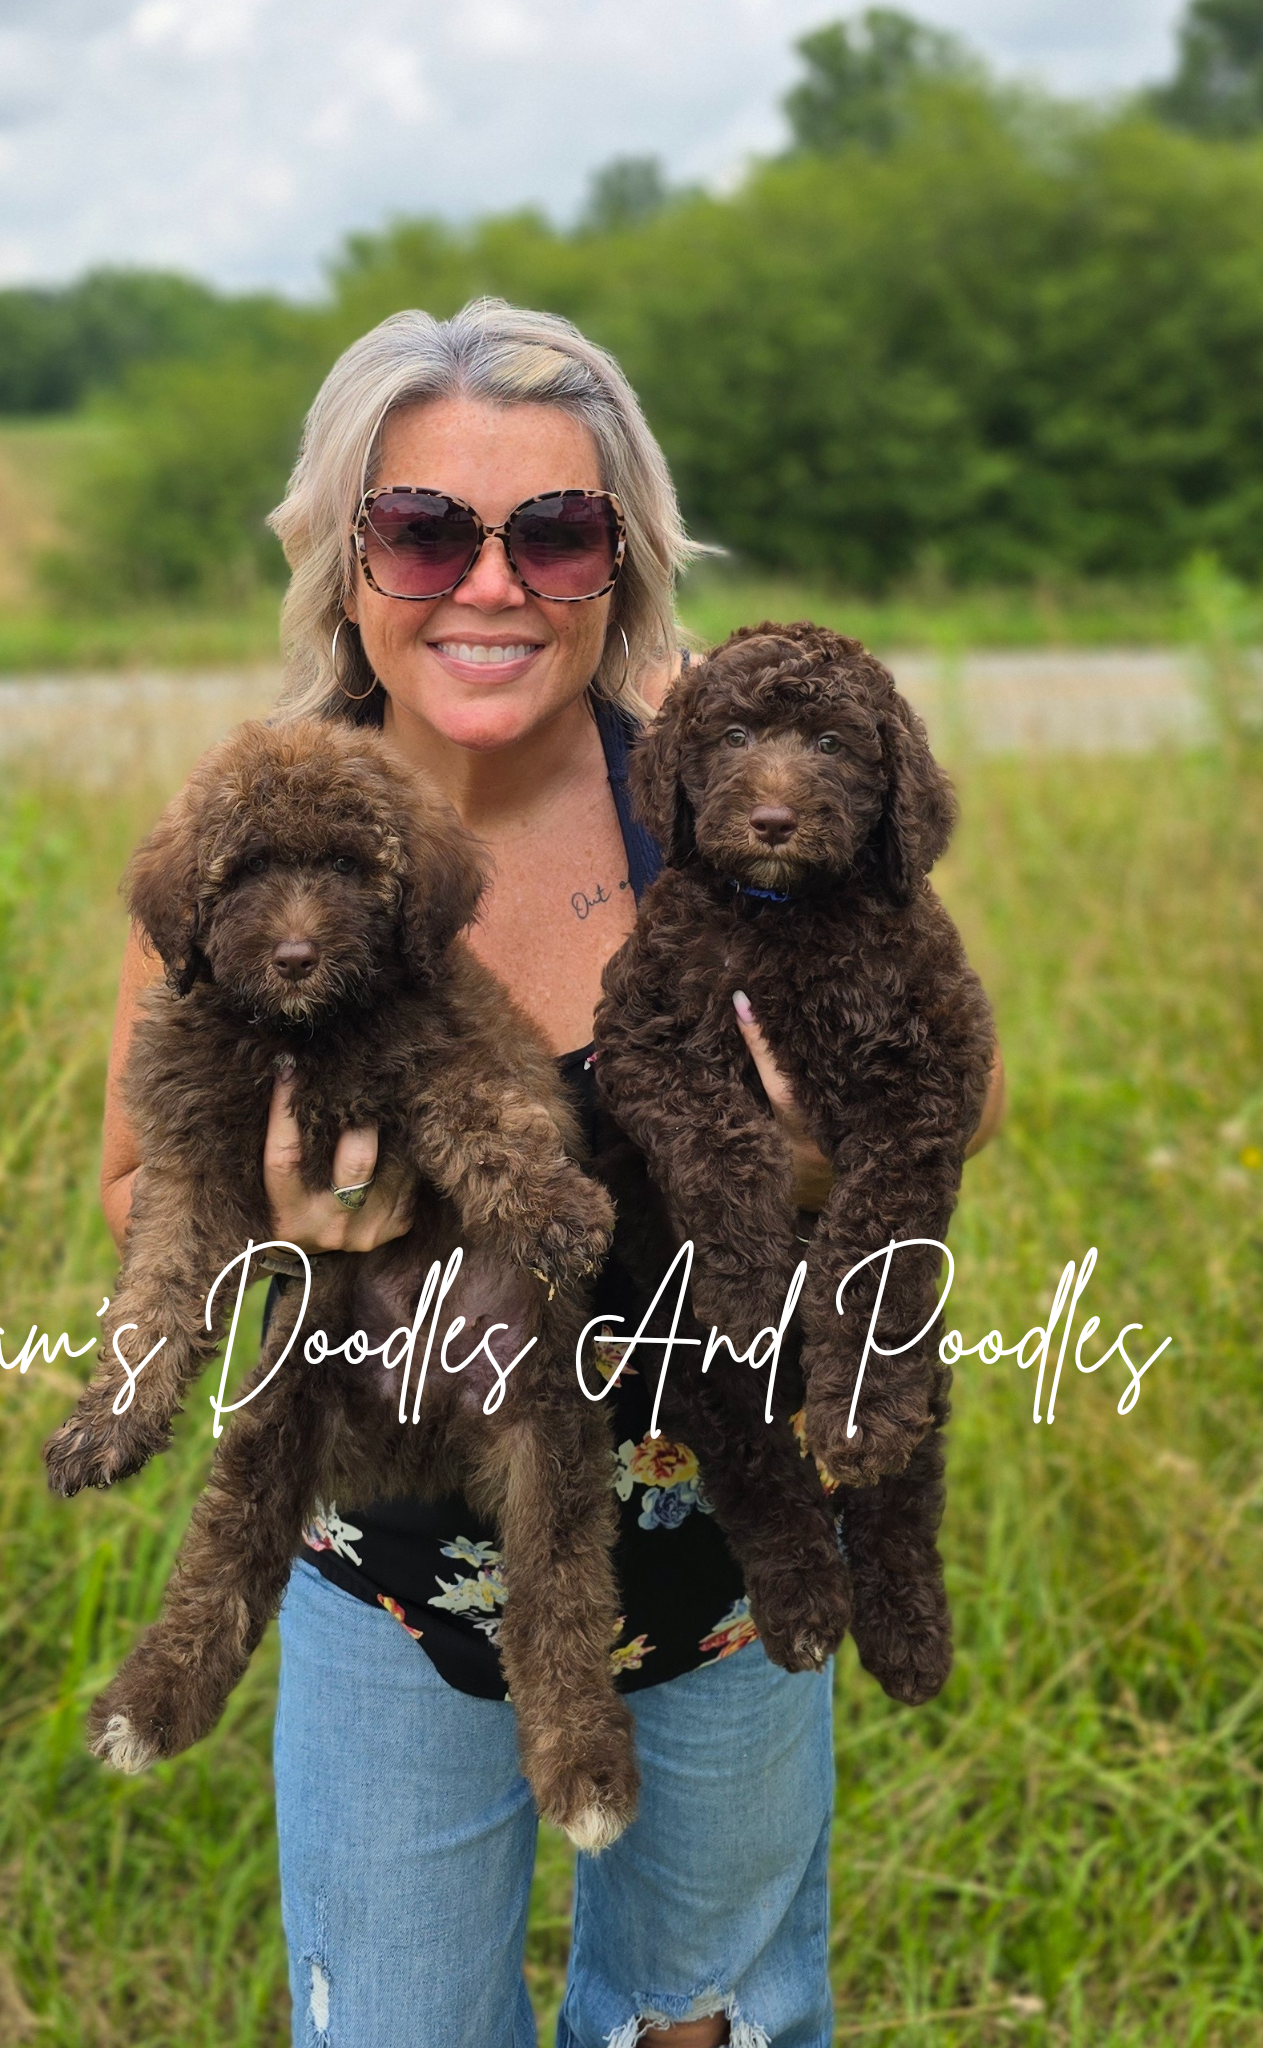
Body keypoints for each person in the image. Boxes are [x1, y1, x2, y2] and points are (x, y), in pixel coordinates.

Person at [99, 300, 1005, 2048]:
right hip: (394, 1560)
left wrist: (817, 1160)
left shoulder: (709, 783)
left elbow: (954, 1091)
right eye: (426, 528)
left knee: (708, 2022)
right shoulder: (254, 837)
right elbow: (138, 1182)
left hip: (717, 1548)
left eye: (558, 532)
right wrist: (283, 1237)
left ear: (623, 561)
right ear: (344, 556)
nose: (490, 585)